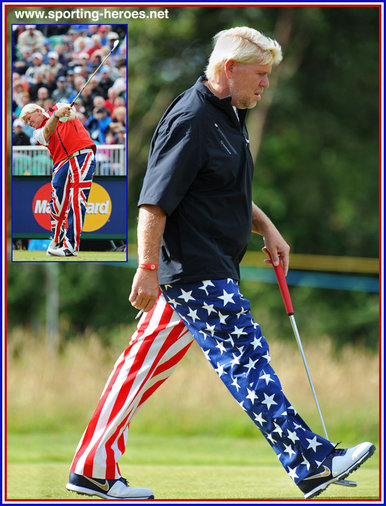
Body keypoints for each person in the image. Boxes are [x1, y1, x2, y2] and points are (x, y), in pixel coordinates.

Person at [65, 27, 375, 500]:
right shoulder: (191, 118)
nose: (267, 83)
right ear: (229, 68)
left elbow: (222, 189)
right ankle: (312, 463)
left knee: (138, 368)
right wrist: (147, 268)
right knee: (248, 362)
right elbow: (154, 203)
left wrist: (266, 226)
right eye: (261, 73)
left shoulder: (230, 114)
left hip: (201, 268)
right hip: (196, 270)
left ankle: (91, 469)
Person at [19, 102, 96, 256]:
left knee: (77, 200)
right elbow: (48, 131)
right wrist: (57, 116)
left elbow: (72, 116)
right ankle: (57, 239)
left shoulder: (59, 105)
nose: (29, 123)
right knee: (57, 205)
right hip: (61, 162)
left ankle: (71, 247)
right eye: (26, 121)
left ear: (38, 111)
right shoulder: (37, 133)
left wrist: (65, 114)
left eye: (29, 118)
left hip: (82, 154)